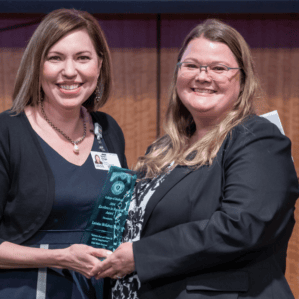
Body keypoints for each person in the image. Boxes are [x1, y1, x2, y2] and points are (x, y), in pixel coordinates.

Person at [96, 19, 299, 299]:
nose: (203, 76)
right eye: (191, 66)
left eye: (219, 68)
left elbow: (242, 226)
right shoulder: (163, 149)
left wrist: (141, 255)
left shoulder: (257, 138)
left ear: (243, 80)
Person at [0, 8, 126, 299]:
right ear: (37, 65)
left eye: (83, 58)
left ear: (99, 65)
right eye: (55, 58)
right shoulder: (7, 132)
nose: (70, 71)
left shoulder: (108, 130)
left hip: (94, 290)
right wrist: (58, 257)